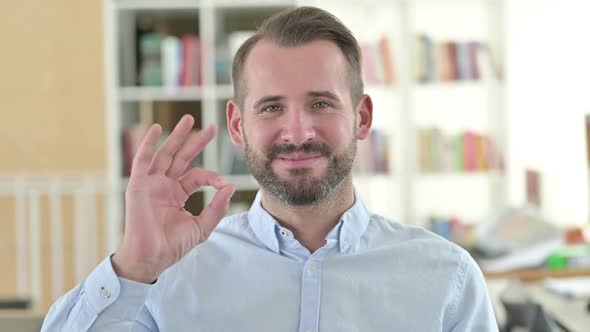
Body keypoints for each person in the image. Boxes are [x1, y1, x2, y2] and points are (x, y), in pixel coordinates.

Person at [41, 6, 497, 331]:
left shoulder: (446, 277)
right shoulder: (166, 276)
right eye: (272, 107)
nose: (297, 132)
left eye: (320, 103)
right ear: (237, 126)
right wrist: (133, 267)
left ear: (361, 117)